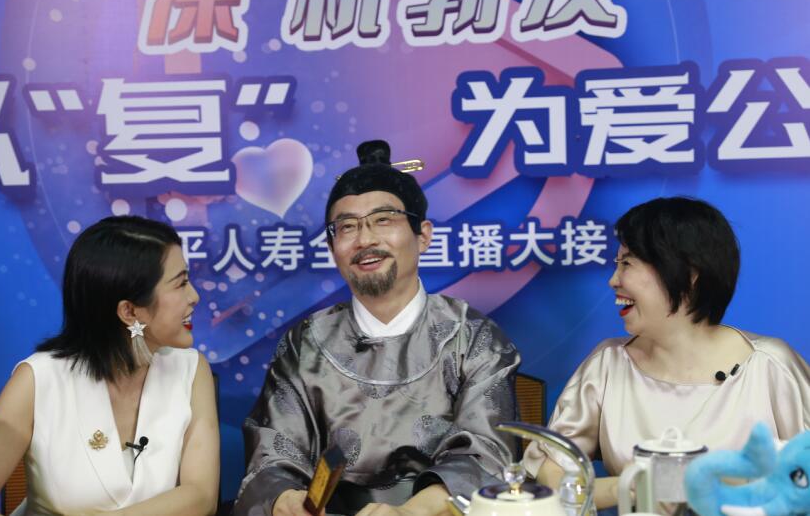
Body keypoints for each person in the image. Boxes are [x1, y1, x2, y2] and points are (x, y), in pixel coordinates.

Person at [235, 140, 520, 516]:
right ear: (333, 248)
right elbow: (273, 451)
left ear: (423, 235)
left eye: (383, 220)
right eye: (347, 227)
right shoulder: (306, 343)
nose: (365, 240)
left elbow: (487, 454)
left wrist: (410, 512)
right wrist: (285, 500)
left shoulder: (473, 337)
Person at [524, 197, 810, 508]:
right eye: (616, 264)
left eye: (627, 263)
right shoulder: (607, 364)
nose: (613, 280)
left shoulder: (770, 366)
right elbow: (551, 473)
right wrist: (635, 487)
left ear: (689, 273)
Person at [0, 216, 220, 516]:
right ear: (129, 312)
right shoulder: (39, 379)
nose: (194, 297)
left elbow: (201, 496)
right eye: (181, 283)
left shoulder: (191, 370)